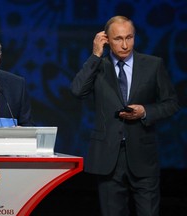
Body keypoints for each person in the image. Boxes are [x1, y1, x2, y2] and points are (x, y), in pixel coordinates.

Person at [71, 16, 180, 216]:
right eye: (118, 39)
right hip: (108, 158)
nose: (124, 45)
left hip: (143, 157)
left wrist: (145, 111)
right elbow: (78, 91)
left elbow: (171, 103)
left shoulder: (153, 65)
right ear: (106, 40)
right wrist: (95, 55)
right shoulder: (98, 66)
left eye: (129, 38)